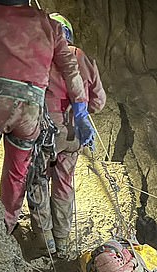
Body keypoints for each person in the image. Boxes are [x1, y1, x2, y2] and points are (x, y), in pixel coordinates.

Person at [0, 0, 93, 234]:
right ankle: (5, 226)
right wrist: (81, 111)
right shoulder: (48, 23)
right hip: (31, 107)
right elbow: (70, 69)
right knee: (17, 171)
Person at [26, 13, 106, 256]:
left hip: (42, 130)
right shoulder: (80, 57)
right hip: (72, 133)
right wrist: (79, 112)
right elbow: (99, 101)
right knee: (63, 182)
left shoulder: (36, 55)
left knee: (37, 179)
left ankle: (45, 239)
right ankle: (62, 240)